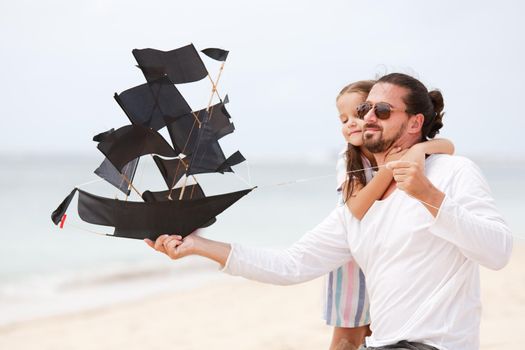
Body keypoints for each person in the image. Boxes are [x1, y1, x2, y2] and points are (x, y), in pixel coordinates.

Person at [146, 73, 513, 350]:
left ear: (415, 123)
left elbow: (498, 252)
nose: (368, 116)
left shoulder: (452, 172)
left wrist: (429, 195)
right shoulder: (358, 209)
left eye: (382, 110)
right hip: (383, 344)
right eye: (365, 108)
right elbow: (291, 264)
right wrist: (198, 245)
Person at [325, 81, 454, 350]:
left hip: (387, 254)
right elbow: (356, 207)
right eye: (344, 118)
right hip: (352, 254)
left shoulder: (393, 149)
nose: (352, 123)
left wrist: (418, 149)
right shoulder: (347, 159)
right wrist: (389, 168)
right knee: (349, 334)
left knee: (379, 330)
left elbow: (448, 146)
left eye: (359, 114)